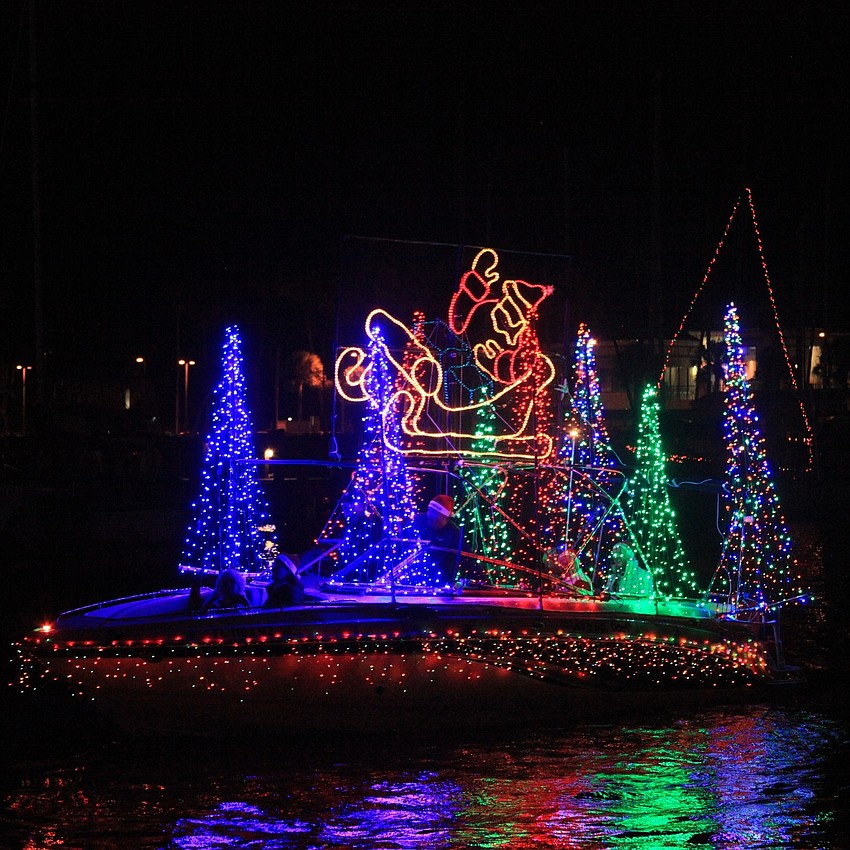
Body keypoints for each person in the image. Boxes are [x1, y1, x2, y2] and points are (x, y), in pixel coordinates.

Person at [413, 494, 462, 587]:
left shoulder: (453, 532)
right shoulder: (418, 521)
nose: (430, 516)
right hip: (415, 574)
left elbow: (464, 557)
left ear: (444, 517)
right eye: (429, 511)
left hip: (441, 579)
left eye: (435, 513)